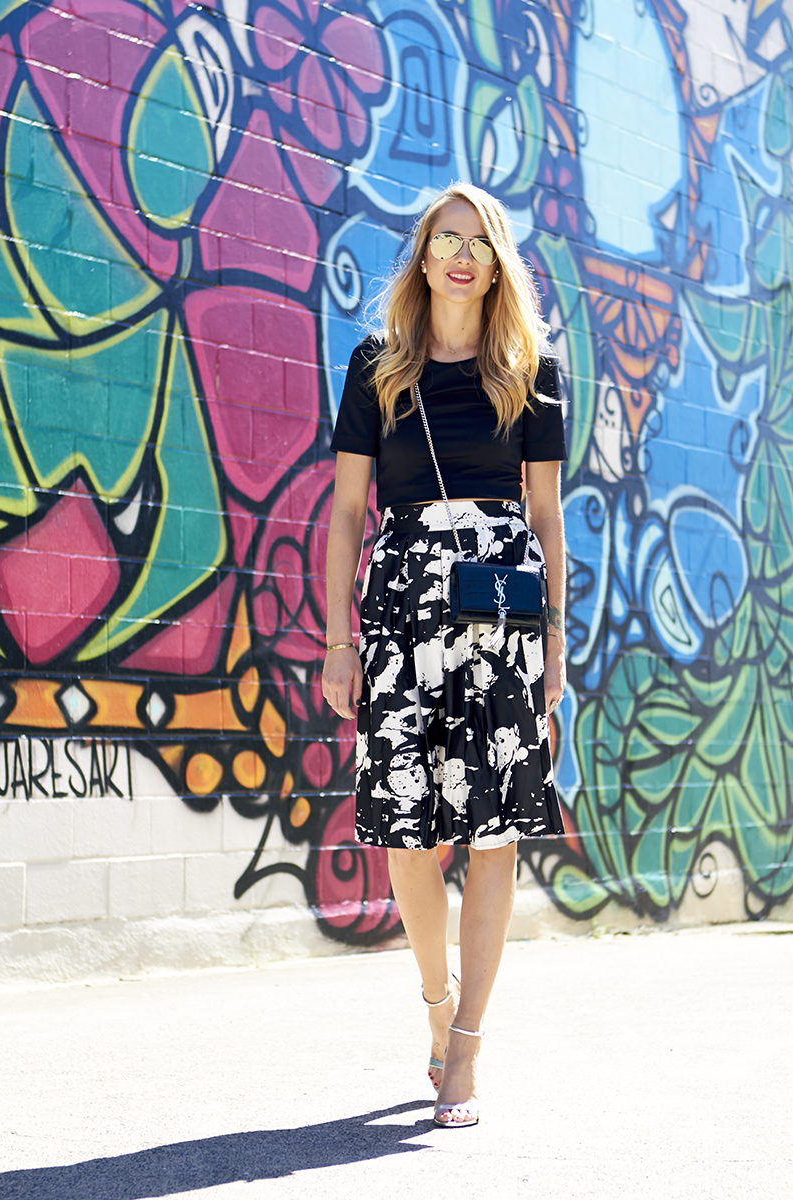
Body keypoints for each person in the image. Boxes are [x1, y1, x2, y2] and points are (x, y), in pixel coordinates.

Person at [321, 182, 567, 1128]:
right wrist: (340, 644)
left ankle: (467, 1050)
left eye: (479, 241)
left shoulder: (532, 370)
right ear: (422, 258)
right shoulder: (376, 366)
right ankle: (435, 1006)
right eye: (443, 239)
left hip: (501, 619)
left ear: (498, 260)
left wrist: (552, 644)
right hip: (399, 620)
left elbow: (545, 518)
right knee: (409, 833)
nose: (461, 255)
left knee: (494, 833)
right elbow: (349, 515)